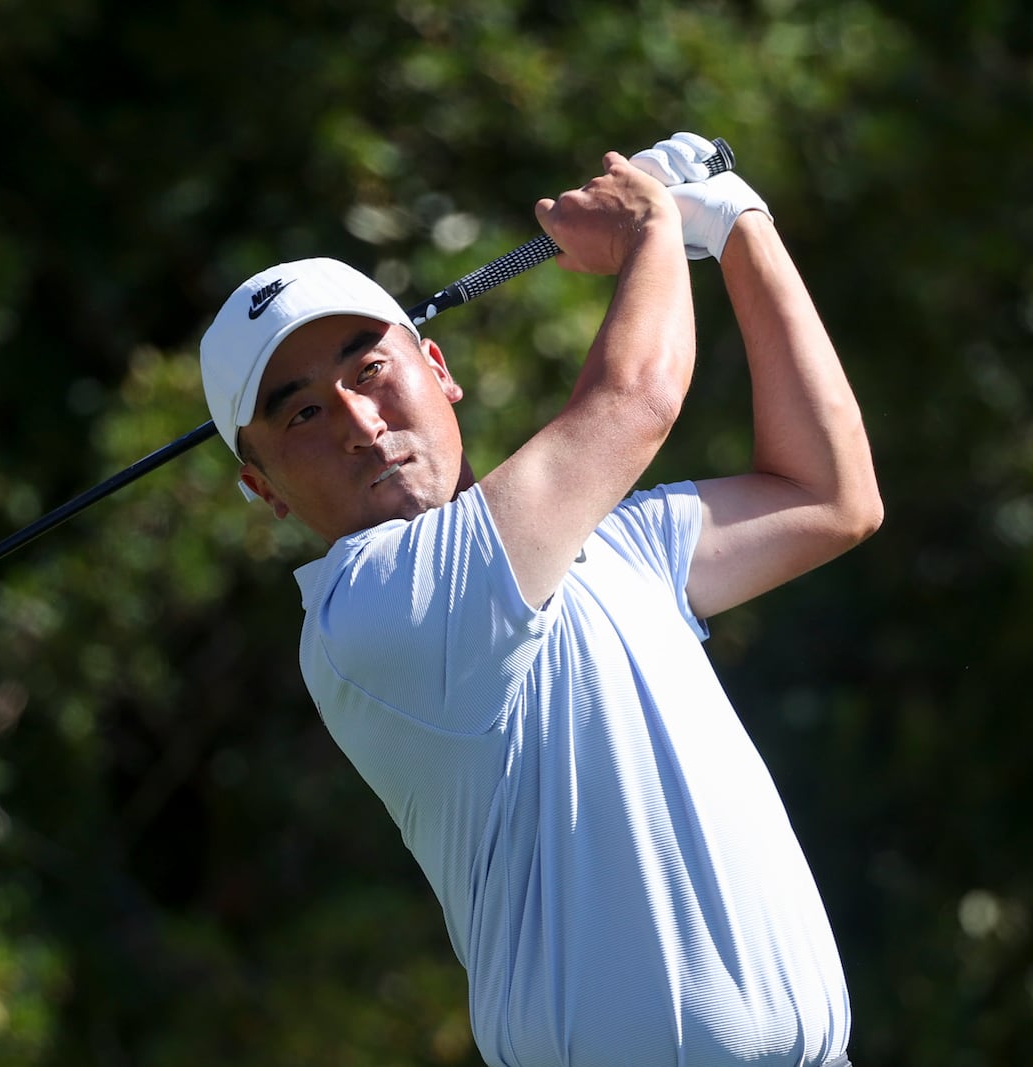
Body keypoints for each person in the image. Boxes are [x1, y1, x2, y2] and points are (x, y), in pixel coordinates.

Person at [197, 133, 881, 1067]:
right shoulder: (375, 612)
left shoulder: (612, 547)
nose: (362, 424)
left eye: (370, 370)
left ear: (437, 369)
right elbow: (635, 401)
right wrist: (650, 224)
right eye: (303, 412)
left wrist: (738, 226)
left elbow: (830, 496)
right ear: (265, 488)